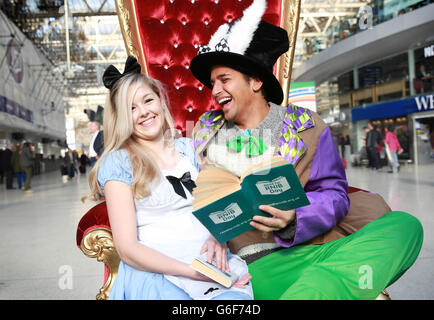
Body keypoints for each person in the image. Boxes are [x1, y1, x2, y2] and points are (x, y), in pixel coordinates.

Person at [190, 0, 423, 299]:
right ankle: (325, 288)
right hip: (256, 266)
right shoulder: (205, 134)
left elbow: (336, 195)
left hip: (318, 250)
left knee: (406, 226)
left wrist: (295, 217)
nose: (216, 91)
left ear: (256, 81)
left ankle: (317, 286)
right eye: (212, 83)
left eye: (224, 80)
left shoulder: (307, 125)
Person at [86, 56, 253, 300]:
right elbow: (127, 249)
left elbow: (220, 203)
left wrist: (218, 237)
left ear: (160, 101)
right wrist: (192, 273)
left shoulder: (188, 148)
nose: (143, 112)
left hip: (212, 266)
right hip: (158, 273)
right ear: (121, 117)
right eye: (131, 108)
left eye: (147, 100)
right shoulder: (119, 163)